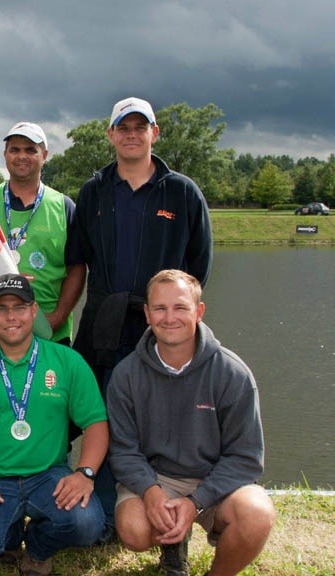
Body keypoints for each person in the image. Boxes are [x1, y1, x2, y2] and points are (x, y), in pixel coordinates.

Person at [107, 269, 275, 576]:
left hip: (213, 482)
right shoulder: (126, 375)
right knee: (134, 530)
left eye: (180, 307)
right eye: (160, 308)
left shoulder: (232, 373)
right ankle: (172, 543)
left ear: (199, 311)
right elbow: (123, 450)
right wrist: (151, 493)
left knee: (257, 513)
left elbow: (246, 458)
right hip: (156, 478)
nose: (170, 318)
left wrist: (195, 502)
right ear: (147, 315)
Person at [73, 97, 213, 542]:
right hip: (105, 321)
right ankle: (101, 514)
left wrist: (173, 316)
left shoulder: (182, 192)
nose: (132, 134)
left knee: (158, 418)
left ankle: (167, 512)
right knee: (101, 414)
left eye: (141, 126)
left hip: (161, 325)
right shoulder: (94, 191)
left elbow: (198, 267)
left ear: (154, 133)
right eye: (123, 127)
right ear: (111, 135)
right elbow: (79, 260)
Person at [0, 275, 107, 576]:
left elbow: (96, 423)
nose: (11, 317)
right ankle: (7, 535)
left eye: (19, 307)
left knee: (87, 523)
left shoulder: (67, 360)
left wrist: (85, 473)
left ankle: (37, 544)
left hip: (48, 475)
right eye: (2, 308)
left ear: (34, 311)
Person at [0, 122, 84, 344]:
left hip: (49, 331)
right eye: (15, 150)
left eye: (30, 150)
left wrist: (58, 316)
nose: (22, 156)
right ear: (5, 154)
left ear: (44, 155)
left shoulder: (64, 206)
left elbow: (76, 268)